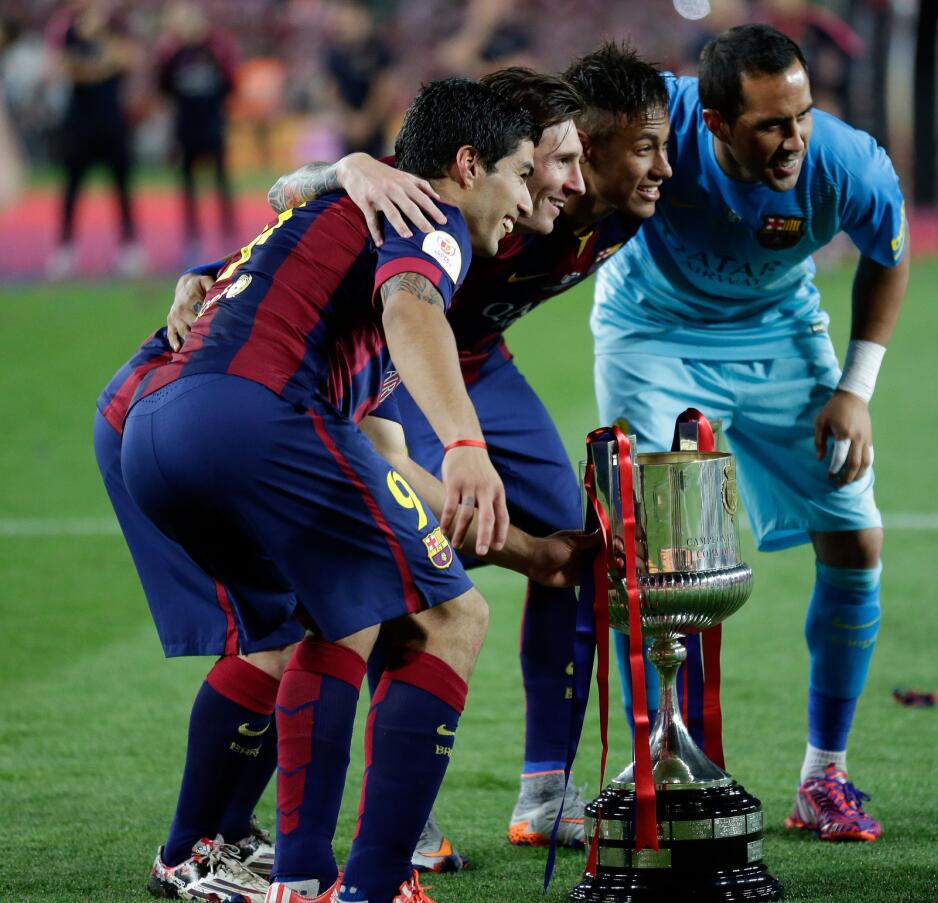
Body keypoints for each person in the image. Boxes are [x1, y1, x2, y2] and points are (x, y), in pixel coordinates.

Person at [118, 77, 535, 903]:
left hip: (149, 428)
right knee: (454, 612)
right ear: (466, 164)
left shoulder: (339, 205)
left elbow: (374, 436)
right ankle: (366, 885)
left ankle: (235, 857)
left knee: (316, 614)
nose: (524, 197)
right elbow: (414, 307)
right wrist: (463, 443)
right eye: (522, 171)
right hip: (250, 414)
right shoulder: (431, 214)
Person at [265, 45, 671, 853]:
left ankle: (546, 790)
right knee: (408, 549)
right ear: (579, 152)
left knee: (571, 536)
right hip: (398, 365)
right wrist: (344, 165)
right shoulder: (495, 184)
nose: (665, 166)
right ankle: (403, 812)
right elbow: (299, 193)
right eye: (646, 148)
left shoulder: (629, 203)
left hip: (480, 360)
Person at [592, 24, 910, 843]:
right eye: (771, 123)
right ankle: (661, 768)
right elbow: (561, 128)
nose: (794, 137)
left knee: (856, 539)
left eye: (801, 114)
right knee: (657, 558)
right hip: (652, 330)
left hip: (779, 331)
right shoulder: (660, 120)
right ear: (717, 123)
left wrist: (855, 388)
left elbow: (888, 252)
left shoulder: (847, 162)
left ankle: (823, 776)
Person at [44, 0, 141, 279]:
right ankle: (65, 249)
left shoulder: (118, 24)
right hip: (79, 120)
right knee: (72, 187)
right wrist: (100, 64)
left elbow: (130, 58)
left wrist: (93, 58)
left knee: (122, 186)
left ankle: (129, 248)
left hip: (112, 119)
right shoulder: (66, 25)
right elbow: (58, 66)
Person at [155, 0, 239, 254]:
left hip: (212, 125)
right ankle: (192, 239)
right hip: (185, 128)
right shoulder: (172, 52)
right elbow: (162, 85)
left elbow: (231, 81)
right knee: (188, 186)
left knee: (221, 182)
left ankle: (228, 235)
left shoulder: (216, 47)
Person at [322, 0, 396, 157]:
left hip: (375, 130)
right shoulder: (334, 52)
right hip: (346, 130)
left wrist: (366, 122)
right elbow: (330, 91)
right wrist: (348, 122)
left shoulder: (379, 48)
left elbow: (384, 90)